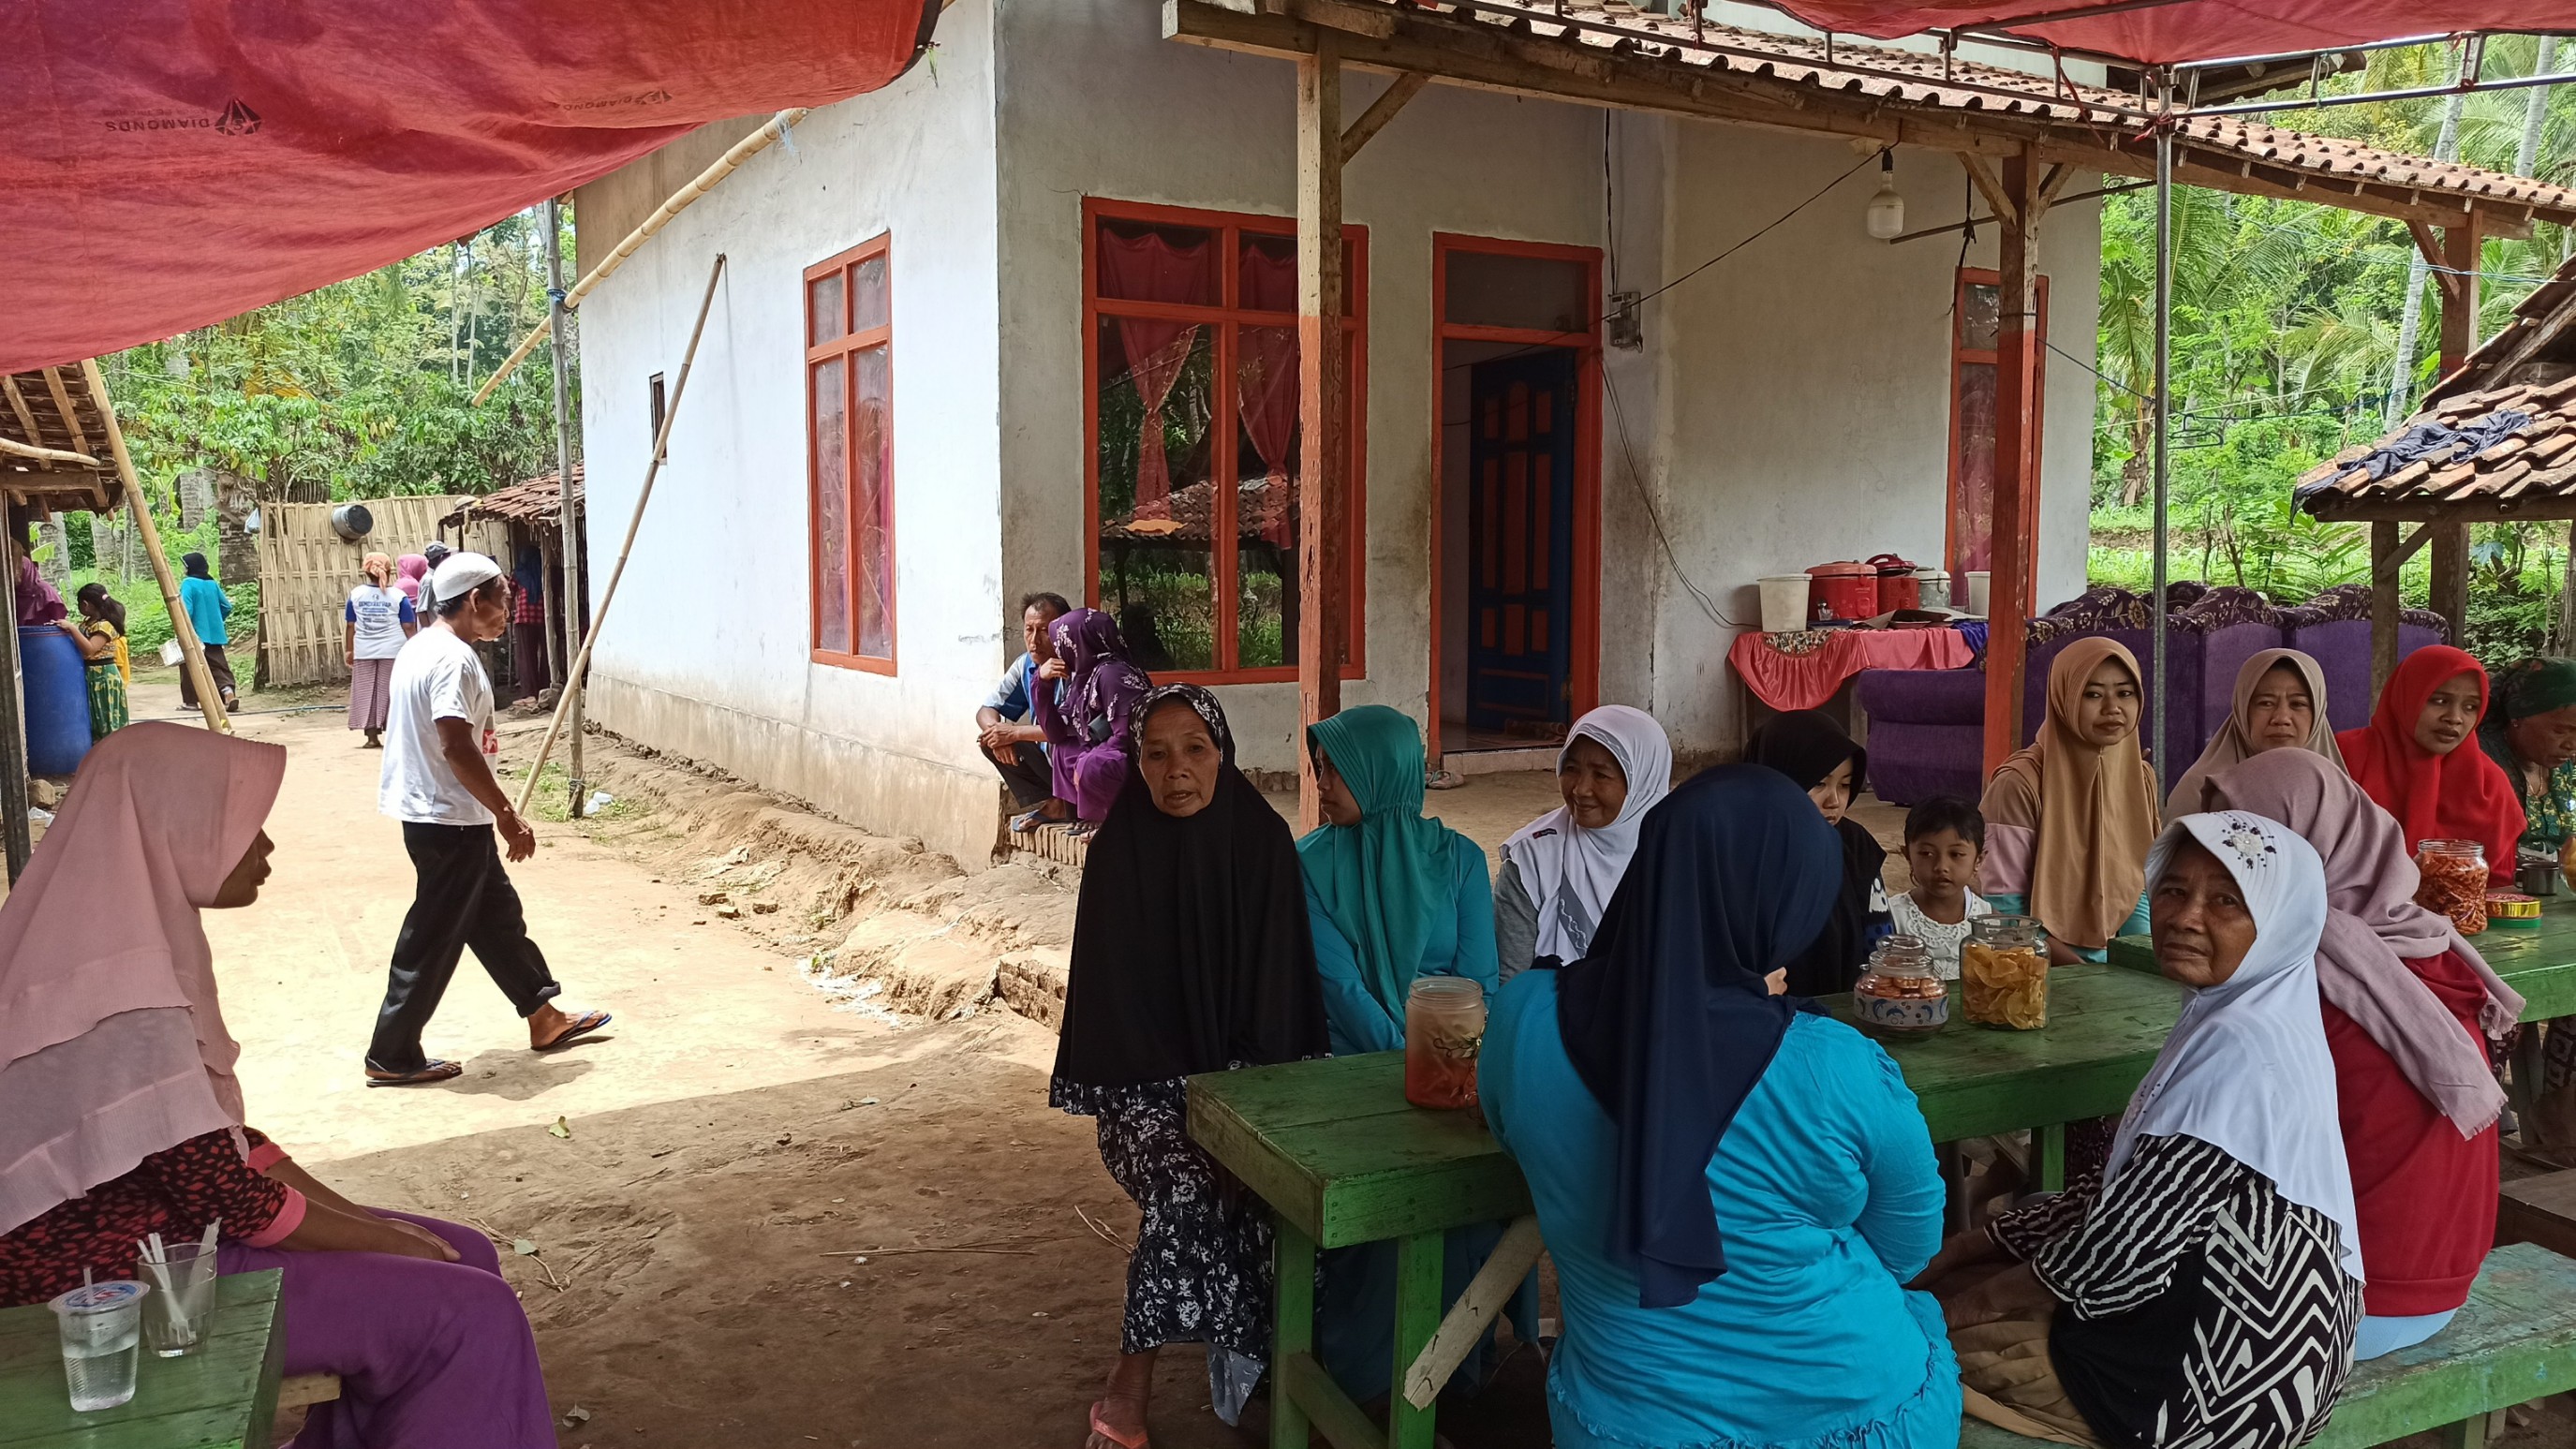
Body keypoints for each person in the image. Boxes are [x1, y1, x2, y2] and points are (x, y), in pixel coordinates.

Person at [0, 724, 555, 1447]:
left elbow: (225, 1147)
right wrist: (384, 1239)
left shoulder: (104, 939)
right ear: (175, 826)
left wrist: (369, 1226)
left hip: (163, 1241)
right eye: (241, 825)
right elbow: (224, 1193)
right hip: (118, 1288)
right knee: (467, 1309)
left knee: (465, 1254)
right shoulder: (123, 989)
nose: (264, 847)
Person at [1481, 765, 1959, 1449]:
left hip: (1623, 1425)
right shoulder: (1836, 1063)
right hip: (1853, 1414)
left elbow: (1512, 1137)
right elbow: (1909, 1248)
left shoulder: (1524, 1020)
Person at [1928, 811, 2363, 1449]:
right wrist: (1976, 1244)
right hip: (2272, 1355)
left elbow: (2114, 1258)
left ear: (2279, 923)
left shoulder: (2239, 1053)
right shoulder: (2255, 1013)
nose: (2186, 916)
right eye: (2173, 890)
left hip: (2212, 1395)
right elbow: (2126, 1194)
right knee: (1972, 1271)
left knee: (1903, 1349)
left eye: (2226, 901)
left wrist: (1958, 1306)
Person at [1049, 684, 1328, 1449]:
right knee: (1187, 1189)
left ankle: (1276, 1367)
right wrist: (1200, 1130)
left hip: (1251, 1081)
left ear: (1223, 753)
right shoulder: (1118, 854)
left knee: (1295, 1192)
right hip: (1145, 1094)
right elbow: (1115, 1017)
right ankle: (1128, 1383)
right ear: (1136, 764)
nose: (1177, 770)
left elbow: (1279, 999)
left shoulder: (1262, 841)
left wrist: (1238, 1123)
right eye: (1156, 752)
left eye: (1195, 750)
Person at [2211, 748, 2520, 1358]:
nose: (2223, 869)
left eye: (2245, 848)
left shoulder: (2310, 971)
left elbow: (2216, 1162)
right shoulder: (2429, 944)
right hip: (2441, 1283)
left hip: (2349, 1301)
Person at [1297, 703, 1536, 1401]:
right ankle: (1365, 1382)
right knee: (1372, 1225)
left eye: (1336, 767)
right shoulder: (1307, 863)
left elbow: (1479, 982)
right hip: (1353, 1079)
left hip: (1456, 1074)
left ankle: (1450, 1373)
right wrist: (1411, 1062)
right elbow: (1339, 986)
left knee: (1469, 1202)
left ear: (1383, 771)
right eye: (1319, 766)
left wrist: (1449, 1069)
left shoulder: (1459, 858)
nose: (1323, 780)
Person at [366, 553, 608, 1087]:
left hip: (440, 812)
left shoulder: (421, 647)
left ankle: (543, 1015)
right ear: (474, 601)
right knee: (432, 935)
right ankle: (391, 1052)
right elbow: (455, 744)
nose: (508, 610)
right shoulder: (453, 659)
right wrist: (507, 813)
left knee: (494, 915)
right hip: (448, 814)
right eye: (503, 598)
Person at [1979, 639, 2159, 964]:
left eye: (2125, 693)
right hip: (2037, 965)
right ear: (2065, 697)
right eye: (2092, 694)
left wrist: (2135, 962)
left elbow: (2137, 888)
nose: (2112, 708)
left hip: (2117, 966)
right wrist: (2085, 972)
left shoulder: (2140, 778)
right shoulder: (2020, 784)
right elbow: (2003, 910)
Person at [1495, 704, 1672, 983]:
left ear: (1642, 782)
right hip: (1552, 1022)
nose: (1580, 789)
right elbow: (1509, 982)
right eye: (1571, 768)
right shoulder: (1532, 858)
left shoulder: (1681, 857)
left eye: (1601, 775)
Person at [2479, 658, 2576, 1146]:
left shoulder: (2565, 773)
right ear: (2518, 715)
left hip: (2553, 915)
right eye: (2562, 729)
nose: (2572, 743)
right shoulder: (2479, 764)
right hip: (2494, 921)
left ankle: (2555, 1119)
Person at [2340, 643, 2521, 885]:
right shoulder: (2343, 757)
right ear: (2407, 696)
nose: (2455, 718)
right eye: (2439, 700)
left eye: (2471, 707)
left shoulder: (2490, 784)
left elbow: (2498, 886)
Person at [1746, 709, 1890, 995]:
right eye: (1819, 783)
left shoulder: (1855, 845)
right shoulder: (1742, 852)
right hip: (1765, 1020)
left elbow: (1880, 943)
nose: (1834, 801)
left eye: (1846, 785)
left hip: (1845, 1019)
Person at [2165, 647, 2345, 817]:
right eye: (2266, 703)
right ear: (2243, 710)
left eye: (2298, 704)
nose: (2281, 717)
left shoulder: (2339, 793)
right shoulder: (2199, 793)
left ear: (2318, 713)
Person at [1032, 607, 1151, 835]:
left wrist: (1086, 760)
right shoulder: (1084, 678)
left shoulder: (1112, 674)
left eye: (1062, 642)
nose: (1058, 649)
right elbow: (1056, 733)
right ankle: (1086, 811)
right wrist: (1041, 683)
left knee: (1092, 763)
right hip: (1109, 750)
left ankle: (1105, 816)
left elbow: (1129, 735)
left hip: (1139, 759)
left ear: (1079, 642)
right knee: (1063, 749)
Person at [976, 590, 1073, 833]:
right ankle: (1055, 801)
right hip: (1047, 758)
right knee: (987, 740)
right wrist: (997, 734)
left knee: (1059, 745)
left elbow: (1067, 731)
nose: (1034, 640)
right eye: (1029, 630)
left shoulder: (1076, 666)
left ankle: (1066, 802)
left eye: (1044, 630)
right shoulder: (1026, 664)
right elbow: (986, 709)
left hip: (1076, 759)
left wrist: (1014, 733)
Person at [1887, 795, 1993, 977]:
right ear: (1908, 856)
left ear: (1978, 860)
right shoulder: (1893, 917)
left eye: (1956, 854)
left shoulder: (1986, 919)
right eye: (1927, 853)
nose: (1941, 867)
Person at [345, 552, 418, 749]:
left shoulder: (355, 594)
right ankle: (395, 735)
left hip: (364, 650)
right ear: (389, 570)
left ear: (366, 571)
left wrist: (349, 650)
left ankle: (371, 737)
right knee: (392, 691)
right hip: (394, 651)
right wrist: (416, 649)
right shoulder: (398, 596)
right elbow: (409, 626)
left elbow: (350, 625)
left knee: (365, 692)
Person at [58, 584, 129, 741]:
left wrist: (72, 629)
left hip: (103, 677)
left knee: (107, 719)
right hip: (91, 676)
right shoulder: (87, 623)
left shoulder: (104, 626)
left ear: (85, 604)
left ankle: (112, 754)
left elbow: (90, 649)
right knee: (94, 718)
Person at [176, 551, 239, 710]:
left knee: (190, 667)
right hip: (216, 634)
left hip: (195, 635)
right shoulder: (212, 583)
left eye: (185, 566)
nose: (184, 569)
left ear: (190, 567)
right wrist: (216, 621)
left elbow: (186, 610)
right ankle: (227, 691)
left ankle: (190, 701)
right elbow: (227, 606)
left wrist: (182, 630)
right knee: (219, 666)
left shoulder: (188, 583)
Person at [9, 519, 66, 626]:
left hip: (43, 637)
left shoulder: (44, 591)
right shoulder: (13, 595)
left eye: (21, 571)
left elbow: (60, 622)